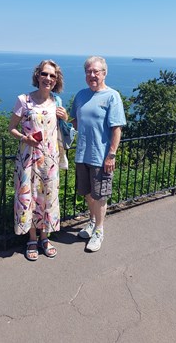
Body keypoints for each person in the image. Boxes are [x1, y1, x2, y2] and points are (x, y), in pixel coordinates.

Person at [8, 59, 68, 261]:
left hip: (50, 162)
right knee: (29, 198)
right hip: (28, 160)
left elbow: (64, 131)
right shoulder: (23, 100)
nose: (48, 78)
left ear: (56, 79)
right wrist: (25, 138)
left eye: (52, 75)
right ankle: (32, 239)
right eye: (45, 74)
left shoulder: (57, 103)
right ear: (37, 76)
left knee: (47, 199)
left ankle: (45, 236)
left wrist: (65, 118)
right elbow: (11, 129)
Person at [70, 56, 126, 252]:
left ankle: (99, 231)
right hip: (82, 154)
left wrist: (111, 155)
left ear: (104, 73)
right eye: (88, 71)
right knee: (87, 193)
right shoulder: (80, 95)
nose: (92, 75)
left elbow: (116, 128)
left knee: (100, 195)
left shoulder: (112, 96)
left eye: (96, 71)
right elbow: (76, 121)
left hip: (101, 156)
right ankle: (92, 222)